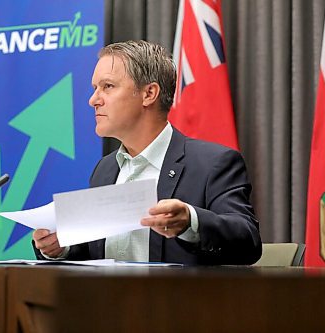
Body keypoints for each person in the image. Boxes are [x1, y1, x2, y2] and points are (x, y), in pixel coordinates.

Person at [32, 40, 261, 265]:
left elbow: (248, 241)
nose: (93, 100)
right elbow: (96, 256)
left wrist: (191, 221)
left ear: (149, 94)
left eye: (108, 86)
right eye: (95, 89)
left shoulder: (212, 163)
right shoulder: (105, 169)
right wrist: (62, 248)